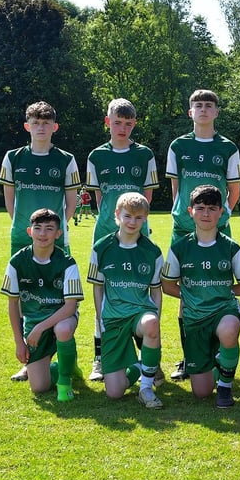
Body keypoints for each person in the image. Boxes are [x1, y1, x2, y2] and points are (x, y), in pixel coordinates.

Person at [0, 101, 81, 382]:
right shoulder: (13, 157)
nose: (41, 127)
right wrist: (26, 228)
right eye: (36, 123)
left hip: (56, 239)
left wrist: (56, 230)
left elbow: (70, 204)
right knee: (25, 298)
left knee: (58, 295)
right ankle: (30, 357)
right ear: (27, 126)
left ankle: (63, 349)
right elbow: (10, 199)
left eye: (46, 123)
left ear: (54, 127)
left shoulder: (66, 159)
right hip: (23, 237)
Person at [166, 90, 240, 382]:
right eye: (197, 106)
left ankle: (222, 344)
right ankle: (190, 357)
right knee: (186, 292)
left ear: (216, 112)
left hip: (218, 228)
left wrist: (219, 217)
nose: (202, 110)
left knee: (217, 285)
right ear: (190, 112)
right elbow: (176, 188)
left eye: (208, 106)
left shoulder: (227, 147)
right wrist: (187, 216)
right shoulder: (178, 146)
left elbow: (233, 189)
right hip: (184, 228)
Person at [161, 185, 240, 408]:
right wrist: (191, 295)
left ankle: (225, 384)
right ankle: (219, 363)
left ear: (222, 212)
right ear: (189, 211)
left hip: (224, 311)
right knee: (201, 393)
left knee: (229, 328)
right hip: (194, 319)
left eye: (212, 208)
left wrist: (223, 291)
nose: (206, 214)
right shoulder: (179, 247)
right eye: (200, 208)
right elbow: (167, 285)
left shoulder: (231, 248)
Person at [85, 98, 159, 382]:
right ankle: (100, 358)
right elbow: (100, 199)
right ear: (108, 122)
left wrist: (137, 225)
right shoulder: (96, 156)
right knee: (102, 295)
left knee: (138, 291)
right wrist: (113, 223)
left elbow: (146, 199)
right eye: (117, 123)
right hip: (106, 232)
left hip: (138, 234)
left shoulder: (145, 154)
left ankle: (147, 358)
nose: (122, 128)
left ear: (134, 125)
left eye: (128, 124)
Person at [87, 192, 164, 409]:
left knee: (150, 323)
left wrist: (155, 320)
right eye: (128, 216)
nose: (133, 222)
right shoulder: (101, 248)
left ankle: (146, 388)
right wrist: (101, 318)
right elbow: (97, 288)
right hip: (113, 317)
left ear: (146, 218)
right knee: (114, 392)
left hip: (140, 312)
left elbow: (156, 291)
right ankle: (141, 366)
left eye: (139, 217)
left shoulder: (152, 251)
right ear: (117, 215)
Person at [0, 209, 82, 401]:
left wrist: (41, 327)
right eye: (38, 228)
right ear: (30, 232)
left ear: (58, 234)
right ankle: (64, 365)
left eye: (49, 229)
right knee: (39, 388)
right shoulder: (17, 262)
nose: (43, 234)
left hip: (61, 317)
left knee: (62, 329)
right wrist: (19, 341)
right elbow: (12, 304)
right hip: (33, 322)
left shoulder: (67, 263)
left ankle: (65, 381)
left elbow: (70, 307)